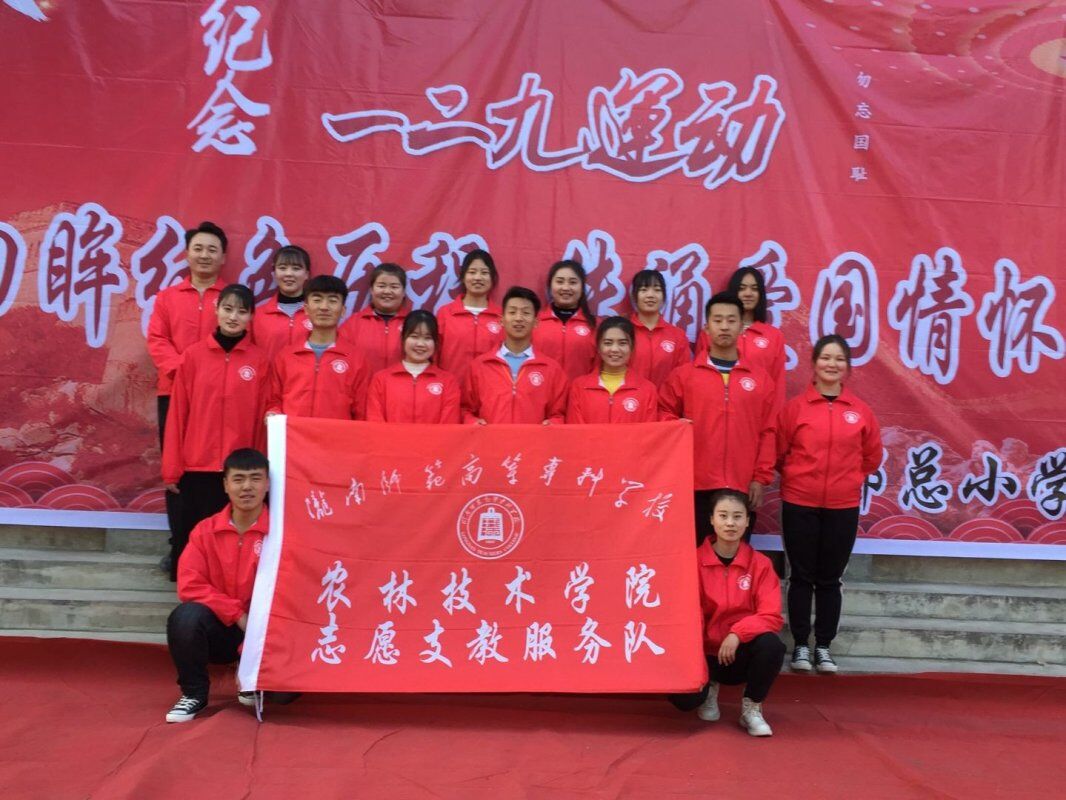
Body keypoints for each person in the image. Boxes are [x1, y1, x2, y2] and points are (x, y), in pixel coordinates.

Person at [776, 334, 882, 674]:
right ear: (814, 363)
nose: (831, 364)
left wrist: (847, 480)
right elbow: (780, 452)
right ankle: (800, 645)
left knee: (830, 578)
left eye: (839, 359)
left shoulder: (860, 411)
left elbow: (872, 457)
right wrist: (800, 477)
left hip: (842, 505)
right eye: (825, 358)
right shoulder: (796, 408)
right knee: (800, 576)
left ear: (847, 367)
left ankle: (823, 646)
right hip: (799, 502)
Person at [161, 284, 269, 579]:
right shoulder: (193, 357)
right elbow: (178, 415)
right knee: (193, 538)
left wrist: (259, 468)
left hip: (238, 472)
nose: (234, 317)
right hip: (196, 466)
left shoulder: (260, 361)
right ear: (216, 310)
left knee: (232, 543)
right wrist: (172, 468)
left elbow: (262, 419)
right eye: (228, 309)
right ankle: (191, 594)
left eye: (242, 311)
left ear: (251, 317)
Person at [659, 292, 776, 544]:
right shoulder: (684, 376)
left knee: (735, 555)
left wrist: (760, 478)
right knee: (693, 553)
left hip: (741, 483)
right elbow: (662, 415)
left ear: (741, 327)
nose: (724, 326)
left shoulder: (760, 379)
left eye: (731, 320)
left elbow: (768, 431)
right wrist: (675, 425)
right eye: (718, 320)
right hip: (694, 483)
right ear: (706, 327)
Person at [165, 448, 269, 723]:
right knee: (186, 617)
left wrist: (254, 632)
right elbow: (190, 585)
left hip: (266, 633)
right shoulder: (205, 530)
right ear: (225, 484)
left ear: (267, 484)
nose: (247, 487)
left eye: (255, 478)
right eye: (238, 479)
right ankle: (194, 693)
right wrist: (237, 614)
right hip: (222, 629)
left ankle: (254, 676)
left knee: (283, 697)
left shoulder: (281, 533)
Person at [148, 220, 228, 574]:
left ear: (223, 257)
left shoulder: (231, 299)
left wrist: (207, 378)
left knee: (216, 471)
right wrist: (186, 371)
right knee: (176, 471)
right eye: (198, 248)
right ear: (187, 254)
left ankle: (215, 547)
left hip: (218, 398)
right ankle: (178, 545)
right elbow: (157, 340)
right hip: (173, 392)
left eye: (212, 249)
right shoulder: (167, 298)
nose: (204, 255)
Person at [673, 490, 785, 737]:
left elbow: (771, 615)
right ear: (711, 520)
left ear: (747, 521)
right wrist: (696, 651)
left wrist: (736, 634)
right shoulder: (692, 561)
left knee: (772, 646)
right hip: (703, 652)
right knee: (684, 701)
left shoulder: (761, 564)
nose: (730, 523)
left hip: (738, 652)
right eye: (723, 516)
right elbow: (686, 612)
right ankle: (708, 687)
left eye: (737, 516)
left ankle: (751, 707)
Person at [267, 275, 369, 420]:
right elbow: (273, 400)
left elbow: (362, 411)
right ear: (306, 309)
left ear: (343, 310)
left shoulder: (356, 359)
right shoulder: (286, 356)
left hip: (336, 434)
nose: (324, 307)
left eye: (332, 301)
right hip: (294, 433)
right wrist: (273, 412)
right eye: (317, 300)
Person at [462, 286, 568, 424]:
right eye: (512, 312)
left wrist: (552, 424)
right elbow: (466, 410)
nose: (518, 318)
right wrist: (473, 422)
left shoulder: (551, 369)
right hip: (491, 438)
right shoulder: (480, 366)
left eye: (526, 313)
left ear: (536, 322)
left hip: (532, 438)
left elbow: (558, 414)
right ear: (501, 320)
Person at [697, 267, 787, 412]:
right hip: (713, 410)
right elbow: (697, 376)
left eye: (754, 289)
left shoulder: (773, 336)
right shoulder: (711, 332)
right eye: (742, 288)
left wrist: (774, 421)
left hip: (757, 412)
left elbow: (778, 384)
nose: (748, 293)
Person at [366, 310, 461, 423]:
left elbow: (449, 425)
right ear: (403, 338)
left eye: (427, 338)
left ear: (436, 342)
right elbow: (375, 423)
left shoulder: (448, 381)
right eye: (414, 336)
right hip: (388, 436)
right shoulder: (381, 380)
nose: (420, 344)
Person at [566, 317, 659, 423]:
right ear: (598, 347)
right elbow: (575, 430)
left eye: (622, 343)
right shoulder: (579, 387)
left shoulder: (647, 390)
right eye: (608, 343)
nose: (615, 349)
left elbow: (649, 432)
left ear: (632, 347)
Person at [436, 249, 504, 383]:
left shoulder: (502, 316)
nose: (478, 278)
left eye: (484, 273)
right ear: (463, 277)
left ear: (492, 278)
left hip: (490, 390)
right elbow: (434, 354)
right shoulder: (445, 313)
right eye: (472, 272)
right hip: (451, 389)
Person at [338, 262, 409, 375]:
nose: (387, 291)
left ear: (404, 292)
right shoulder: (354, 323)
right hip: (363, 386)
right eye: (381, 286)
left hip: (402, 386)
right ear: (371, 290)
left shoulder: (413, 323)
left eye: (394, 287)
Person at [532, 260, 598, 380]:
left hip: (580, 391)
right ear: (550, 286)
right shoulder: (534, 322)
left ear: (582, 287)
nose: (566, 288)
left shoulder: (595, 325)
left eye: (573, 282)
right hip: (541, 390)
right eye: (560, 281)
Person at [627, 269, 691, 387]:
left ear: (664, 296)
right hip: (629, 397)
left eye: (657, 290)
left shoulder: (677, 336)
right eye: (644, 290)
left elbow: (683, 376)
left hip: (666, 398)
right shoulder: (623, 332)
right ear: (634, 296)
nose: (650, 295)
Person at [251, 245, 312, 359]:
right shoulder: (258, 315)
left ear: (306, 274)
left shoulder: (317, 313)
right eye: (282, 268)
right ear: (274, 274)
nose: (289, 274)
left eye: (296, 268)